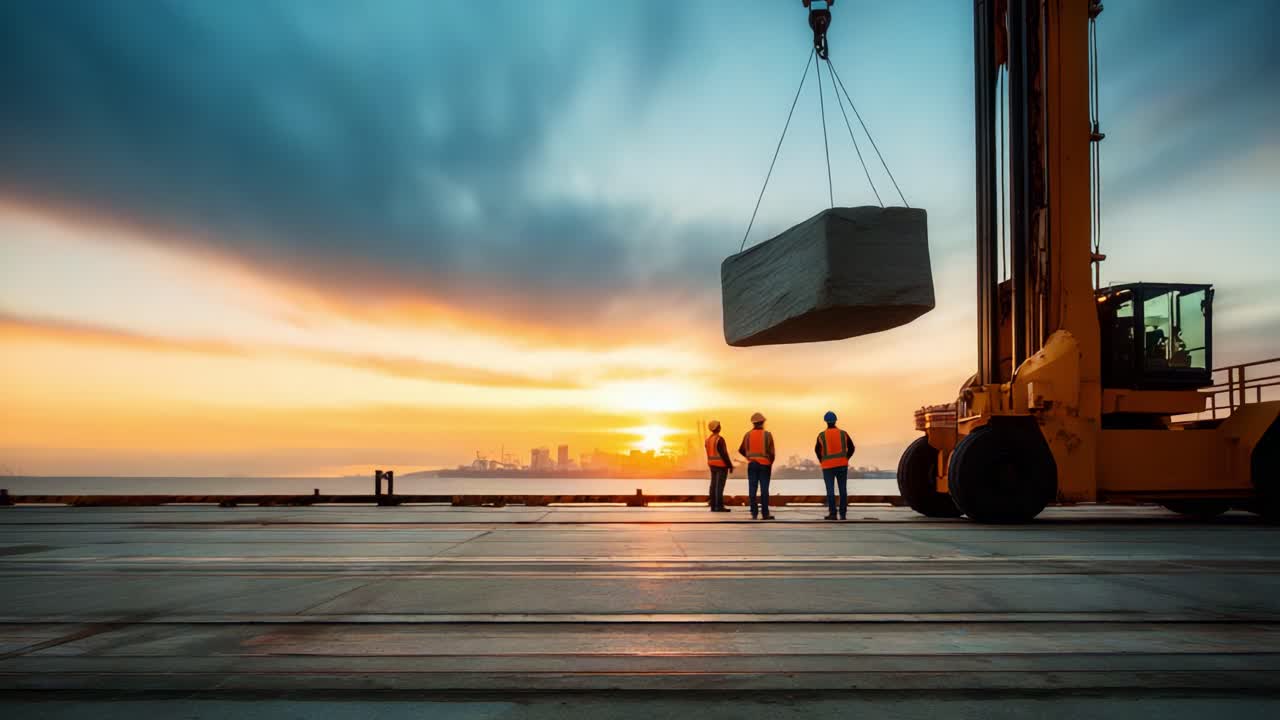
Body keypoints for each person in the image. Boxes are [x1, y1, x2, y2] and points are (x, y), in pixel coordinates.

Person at [815, 411, 855, 520]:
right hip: (842, 465)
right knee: (843, 490)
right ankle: (843, 513)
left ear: (826, 422)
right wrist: (846, 458)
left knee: (830, 490)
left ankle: (833, 514)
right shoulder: (843, 434)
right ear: (835, 420)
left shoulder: (821, 436)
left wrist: (822, 461)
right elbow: (852, 448)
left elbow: (817, 451)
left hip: (827, 467)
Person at [739, 412, 776, 520]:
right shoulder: (767, 435)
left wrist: (749, 457)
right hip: (765, 465)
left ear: (753, 423)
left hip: (752, 465)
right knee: (764, 489)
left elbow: (741, 449)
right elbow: (772, 452)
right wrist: (770, 463)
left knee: (752, 488)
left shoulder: (747, 435)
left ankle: (754, 513)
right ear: (762, 422)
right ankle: (765, 514)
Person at [705, 420, 734, 513]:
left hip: (712, 465)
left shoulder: (708, 440)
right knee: (719, 486)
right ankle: (719, 506)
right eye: (719, 426)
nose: (720, 427)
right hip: (721, 465)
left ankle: (713, 506)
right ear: (717, 428)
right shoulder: (719, 439)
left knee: (713, 485)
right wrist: (730, 465)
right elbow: (724, 454)